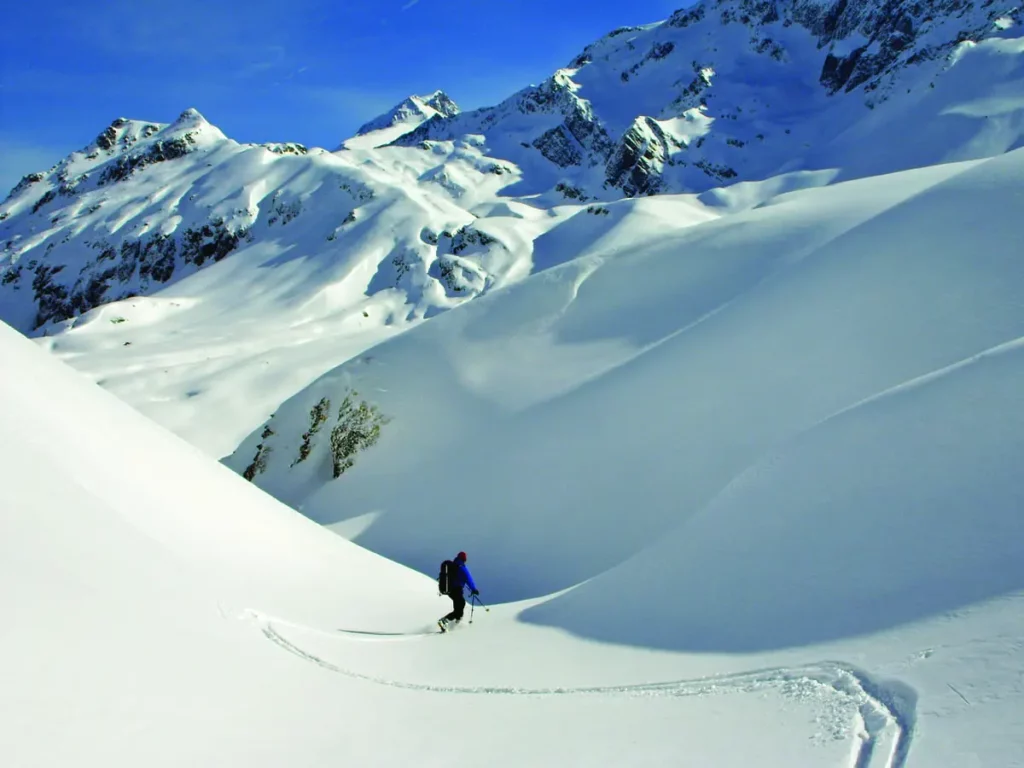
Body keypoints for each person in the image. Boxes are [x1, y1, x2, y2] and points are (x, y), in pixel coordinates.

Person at [439, 551, 479, 631]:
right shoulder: (461, 567)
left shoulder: (453, 566)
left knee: (460, 605)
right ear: (464, 559)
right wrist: (474, 589)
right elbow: (469, 579)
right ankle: (446, 621)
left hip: (450, 590)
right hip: (457, 590)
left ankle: (453, 623)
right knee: (460, 606)